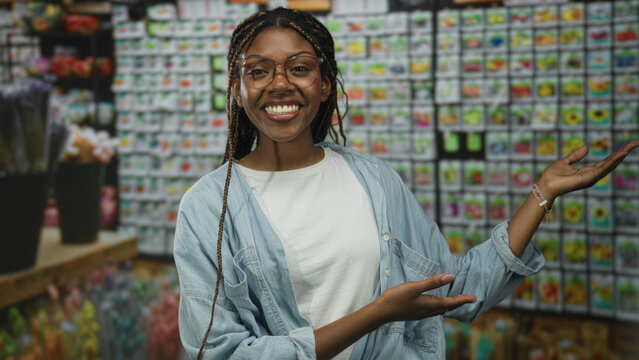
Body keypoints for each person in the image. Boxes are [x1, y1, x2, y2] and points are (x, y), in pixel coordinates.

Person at [174, 7, 639, 360]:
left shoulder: (372, 180)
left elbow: (459, 288)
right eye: (258, 71)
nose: (279, 84)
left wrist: (543, 193)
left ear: (324, 83)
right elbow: (217, 351)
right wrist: (376, 313)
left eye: (299, 68)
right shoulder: (207, 208)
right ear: (237, 88)